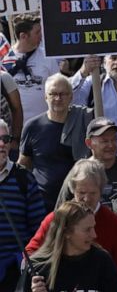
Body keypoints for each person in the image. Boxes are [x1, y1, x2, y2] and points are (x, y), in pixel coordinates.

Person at [25, 159, 117, 272]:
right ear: (73, 190)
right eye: (81, 193)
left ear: (101, 192)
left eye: (92, 193)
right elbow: (30, 253)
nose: (87, 199)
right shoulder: (56, 219)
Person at [56, 117, 117, 238]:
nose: (111, 145)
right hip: (88, 246)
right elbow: (61, 213)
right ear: (89, 143)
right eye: (104, 141)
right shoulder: (78, 173)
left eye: (114, 139)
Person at [18, 73, 93, 211]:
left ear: (71, 96)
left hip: (77, 204)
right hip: (42, 204)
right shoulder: (32, 127)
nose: (58, 98)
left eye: (63, 94)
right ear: (46, 97)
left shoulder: (83, 123)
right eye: (53, 94)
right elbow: (23, 165)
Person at [22, 201, 117, 292]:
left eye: (93, 227)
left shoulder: (102, 261)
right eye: (87, 229)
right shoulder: (39, 268)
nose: (94, 235)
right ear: (66, 232)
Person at [0, 119, 45, 292]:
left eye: (6, 139)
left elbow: (38, 230)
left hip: (14, 272)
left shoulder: (24, 178)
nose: (2, 144)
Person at [2, 14, 59, 124]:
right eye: (37, 32)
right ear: (23, 36)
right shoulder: (5, 59)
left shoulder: (47, 58)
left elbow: (58, 87)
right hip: (15, 127)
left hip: (44, 124)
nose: (41, 36)